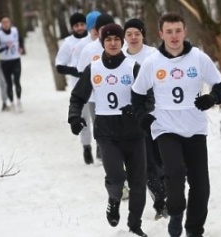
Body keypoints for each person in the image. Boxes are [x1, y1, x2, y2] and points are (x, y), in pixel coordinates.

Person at [131, 12, 221, 237]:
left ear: (184, 31)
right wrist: (141, 116)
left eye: (177, 31)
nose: (174, 36)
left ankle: (194, 230)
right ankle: (175, 213)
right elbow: (136, 95)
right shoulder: (152, 62)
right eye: (169, 31)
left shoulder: (199, 58)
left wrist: (211, 98)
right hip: (165, 128)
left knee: (200, 186)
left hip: (195, 129)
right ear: (160, 34)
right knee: (174, 172)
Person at [68, 23, 148, 237]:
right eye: (108, 39)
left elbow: (150, 96)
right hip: (107, 133)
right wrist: (74, 117)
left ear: (122, 42)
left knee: (138, 182)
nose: (113, 43)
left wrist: (138, 108)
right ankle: (114, 199)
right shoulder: (93, 69)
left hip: (133, 131)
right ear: (102, 42)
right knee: (116, 176)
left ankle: (135, 225)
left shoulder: (133, 67)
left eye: (116, 39)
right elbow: (78, 97)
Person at [123, 18, 167, 220]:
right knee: (147, 163)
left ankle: (170, 195)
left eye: (137, 34)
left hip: (158, 113)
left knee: (163, 159)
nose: (133, 38)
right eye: (129, 34)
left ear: (143, 35)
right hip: (133, 118)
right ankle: (160, 203)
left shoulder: (153, 54)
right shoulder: (120, 57)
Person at [55, 12, 94, 163]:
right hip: (79, 87)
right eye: (76, 25)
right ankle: (86, 147)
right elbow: (59, 66)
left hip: (96, 86)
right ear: (72, 27)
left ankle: (101, 149)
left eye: (82, 24)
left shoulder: (92, 40)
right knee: (83, 119)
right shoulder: (68, 43)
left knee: (98, 119)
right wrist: (75, 71)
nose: (79, 27)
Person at [76, 13, 115, 162]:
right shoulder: (89, 49)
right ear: (97, 31)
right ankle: (101, 149)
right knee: (98, 122)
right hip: (94, 95)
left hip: (116, 93)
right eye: (102, 29)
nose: (107, 32)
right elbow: (81, 70)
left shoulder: (121, 45)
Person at [0, 16, 24, 112]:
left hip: (15, 59)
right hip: (5, 61)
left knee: (17, 81)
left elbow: (21, 39)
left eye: (7, 22)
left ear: (10, 23)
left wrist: (21, 47)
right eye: (4, 22)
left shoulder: (15, 31)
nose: (6, 24)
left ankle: (19, 101)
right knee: (9, 83)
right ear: (1, 24)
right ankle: (12, 102)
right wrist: (5, 48)